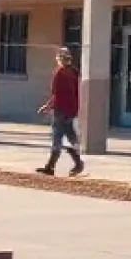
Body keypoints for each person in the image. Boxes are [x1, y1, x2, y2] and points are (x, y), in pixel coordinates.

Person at [35, 47, 84, 178]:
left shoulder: (59, 73)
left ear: (59, 59)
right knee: (71, 137)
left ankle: (50, 167)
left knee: (57, 137)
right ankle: (78, 163)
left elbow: (56, 94)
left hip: (60, 110)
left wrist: (47, 106)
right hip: (71, 110)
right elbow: (76, 93)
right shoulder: (74, 72)